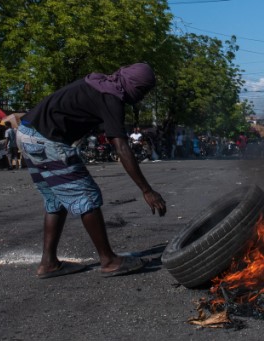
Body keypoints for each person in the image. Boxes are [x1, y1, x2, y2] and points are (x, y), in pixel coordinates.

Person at [16, 62, 166, 279]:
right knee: (87, 195)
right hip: (47, 139)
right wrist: (146, 189)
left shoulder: (100, 84)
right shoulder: (111, 96)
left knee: (57, 200)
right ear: (132, 83)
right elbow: (121, 147)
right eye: (142, 90)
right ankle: (109, 260)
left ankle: (49, 263)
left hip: (27, 132)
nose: (141, 97)